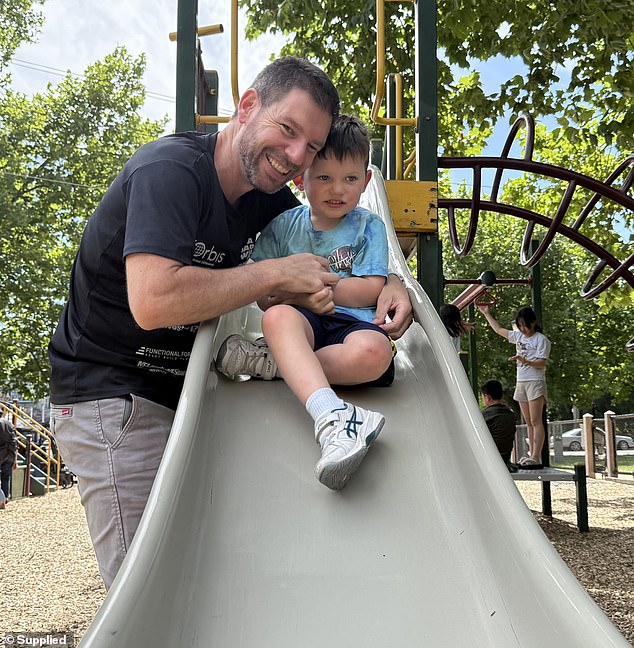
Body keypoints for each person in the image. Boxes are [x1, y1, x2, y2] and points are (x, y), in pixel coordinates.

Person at [48, 57, 414, 589]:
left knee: (200, 577)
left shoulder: (267, 202)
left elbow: (326, 238)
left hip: (188, 393)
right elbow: (152, 302)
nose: (294, 157)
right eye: (287, 130)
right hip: (116, 395)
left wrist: (394, 284)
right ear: (247, 107)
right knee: (146, 591)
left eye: (310, 148)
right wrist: (273, 273)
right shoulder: (170, 171)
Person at [216, 115, 393, 490]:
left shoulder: (368, 226)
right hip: (302, 320)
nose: (337, 189)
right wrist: (299, 296)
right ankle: (331, 416)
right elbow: (263, 295)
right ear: (302, 179)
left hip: (350, 322)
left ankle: (272, 364)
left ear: (366, 181)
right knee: (280, 317)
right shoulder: (283, 226)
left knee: (377, 353)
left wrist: (322, 288)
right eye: (324, 177)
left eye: (349, 179)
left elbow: (371, 287)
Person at [477, 305, 550, 468]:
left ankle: (536, 456)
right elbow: (498, 329)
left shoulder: (541, 339)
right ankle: (531, 456)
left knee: (536, 420)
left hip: (535, 381)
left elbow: (542, 363)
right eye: (520, 325)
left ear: (533, 322)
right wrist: (486, 313)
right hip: (521, 381)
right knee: (528, 421)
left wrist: (526, 361)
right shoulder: (518, 336)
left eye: (526, 325)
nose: (523, 329)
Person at [480, 379, 517, 470]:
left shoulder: (483, 416)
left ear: (487, 397)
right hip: (504, 459)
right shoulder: (511, 415)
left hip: (488, 458)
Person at [0, 413, 18, 506]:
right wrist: (15, 459)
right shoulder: (9, 424)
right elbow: (15, 441)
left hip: (1, 453)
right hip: (10, 453)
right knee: (6, 477)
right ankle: (4, 498)